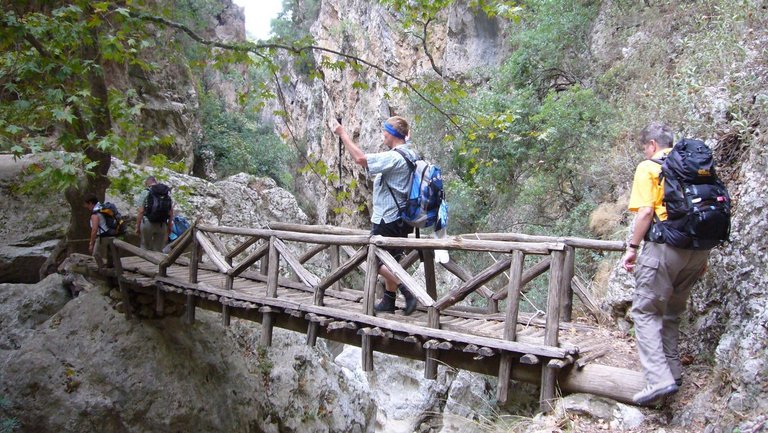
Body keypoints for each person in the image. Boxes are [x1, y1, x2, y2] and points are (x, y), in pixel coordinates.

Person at [621, 122, 710, 406]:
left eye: (644, 147)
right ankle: (674, 373)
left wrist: (632, 248)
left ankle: (658, 379)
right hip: (699, 250)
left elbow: (647, 211)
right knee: (671, 313)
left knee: (646, 312)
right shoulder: (694, 164)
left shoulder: (649, 167)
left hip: (664, 249)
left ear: (651, 145)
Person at [331, 115, 418, 315]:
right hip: (400, 219)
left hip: (387, 218)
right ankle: (389, 301)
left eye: (386, 131)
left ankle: (409, 291)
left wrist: (343, 134)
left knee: (374, 260)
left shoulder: (394, 157)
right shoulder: (410, 152)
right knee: (391, 262)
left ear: (393, 135)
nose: (383, 135)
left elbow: (360, 159)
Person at [135, 176, 174, 252]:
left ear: (147, 183)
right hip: (162, 224)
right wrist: (169, 227)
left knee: (145, 248)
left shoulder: (146, 192)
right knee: (158, 250)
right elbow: (171, 212)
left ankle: (144, 263)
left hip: (147, 223)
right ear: (155, 182)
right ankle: (157, 264)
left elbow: (141, 211)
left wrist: (137, 226)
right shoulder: (165, 193)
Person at [84, 194, 115, 269]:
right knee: (108, 254)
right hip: (110, 234)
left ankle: (103, 270)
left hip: (102, 236)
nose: (85, 206)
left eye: (86, 204)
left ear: (90, 203)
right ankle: (110, 267)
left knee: (96, 253)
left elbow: (94, 230)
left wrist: (91, 243)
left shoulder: (95, 214)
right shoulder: (102, 208)